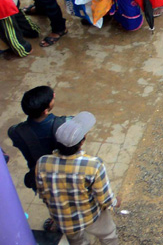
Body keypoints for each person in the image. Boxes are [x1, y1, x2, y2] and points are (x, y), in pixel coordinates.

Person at [35, 112, 119, 245]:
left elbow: (43, 193)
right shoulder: (93, 165)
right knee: (108, 235)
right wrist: (115, 202)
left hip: (64, 219)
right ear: (82, 142)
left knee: (77, 242)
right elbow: (105, 199)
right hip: (91, 216)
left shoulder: (42, 162)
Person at [8, 86, 64, 192]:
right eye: (52, 98)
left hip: (40, 176)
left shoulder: (16, 132)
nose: (54, 95)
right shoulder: (64, 124)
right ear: (45, 111)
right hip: (64, 172)